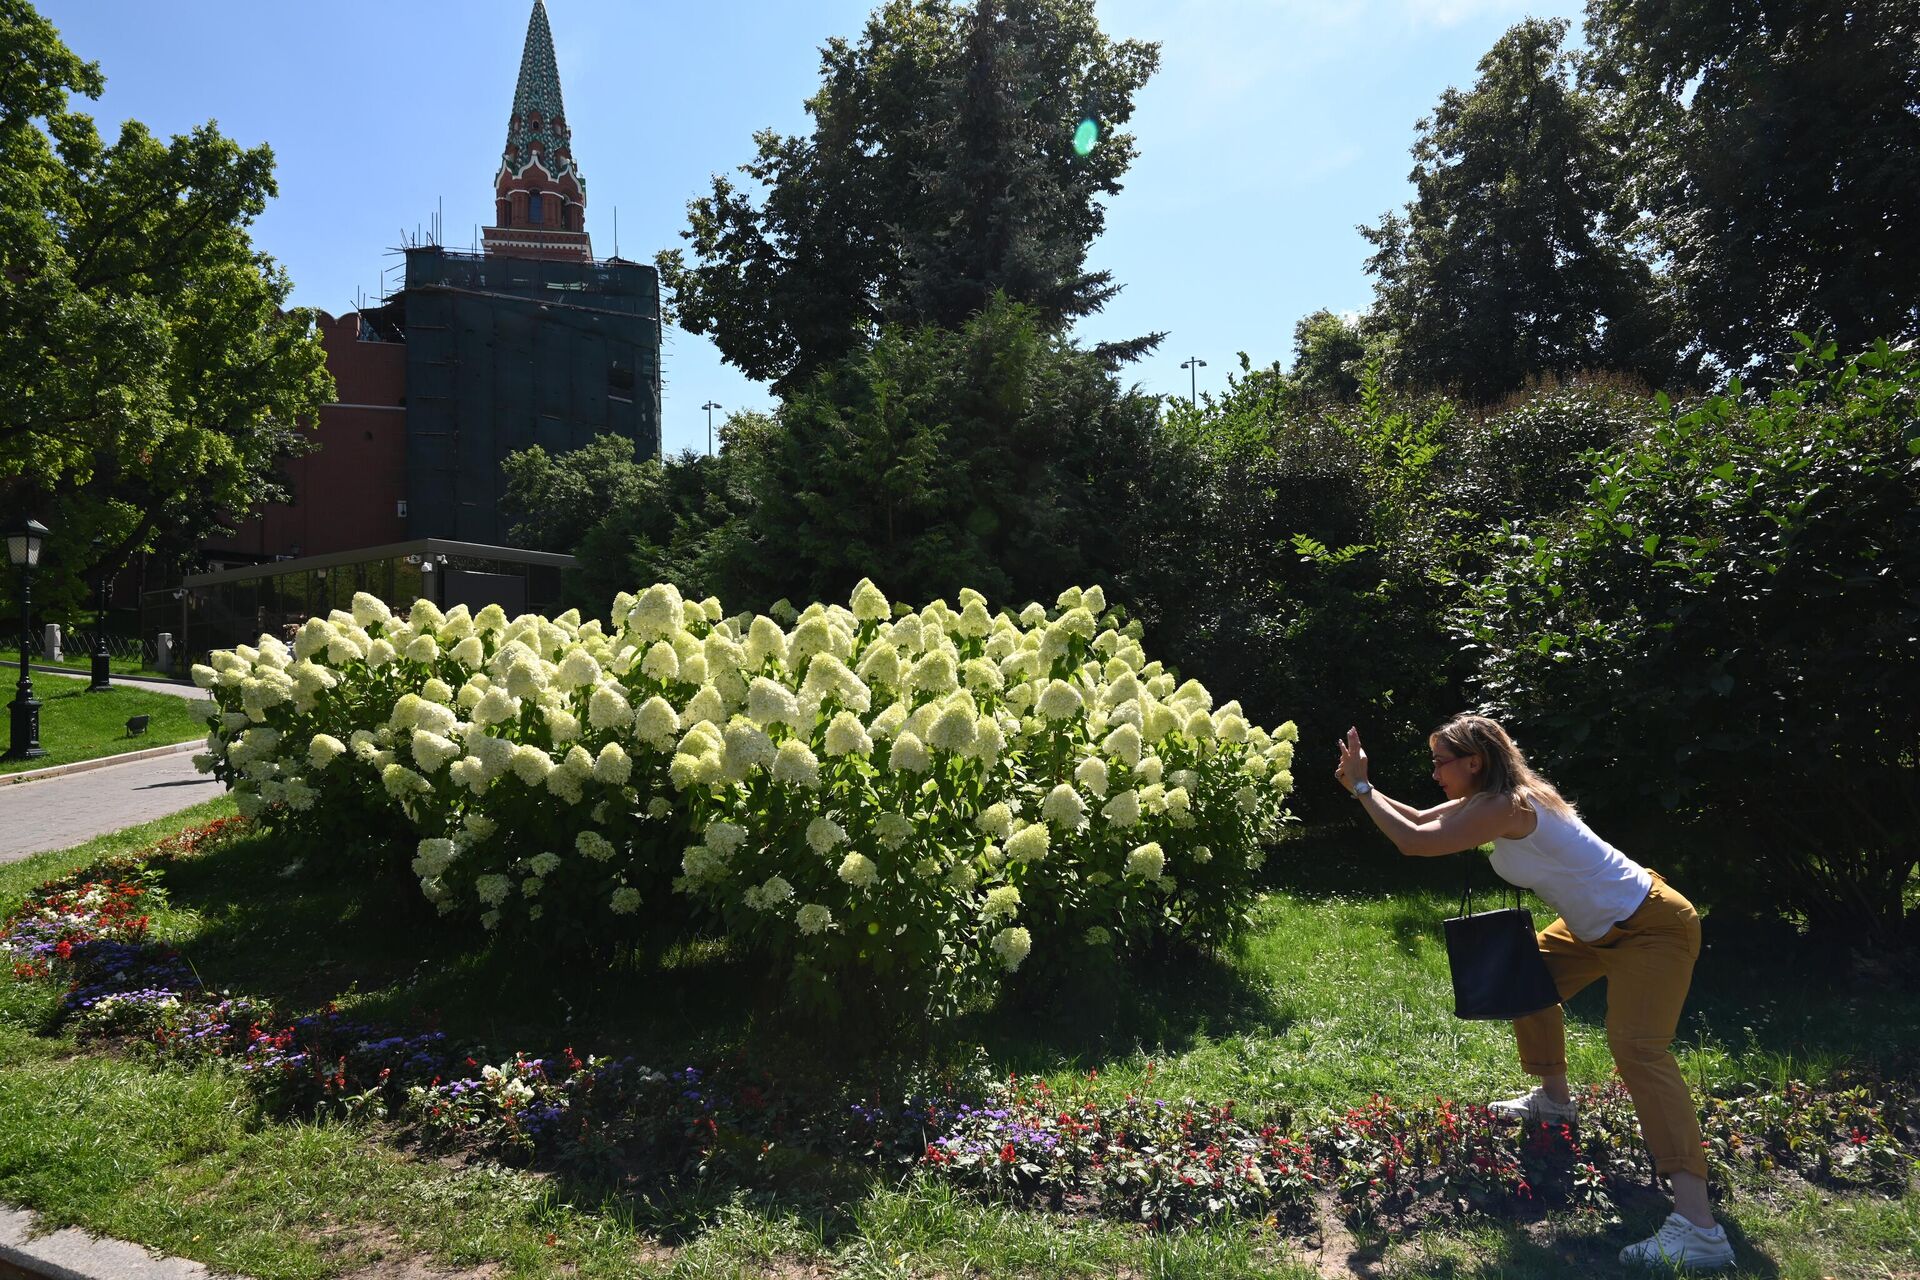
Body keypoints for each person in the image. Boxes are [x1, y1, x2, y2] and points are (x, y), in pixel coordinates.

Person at [1335, 714, 1734, 1271]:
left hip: (1651, 926)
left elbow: (1414, 843)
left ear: (1474, 762)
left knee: (1640, 1051)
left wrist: (1359, 788)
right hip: (1596, 926)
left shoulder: (1510, 805)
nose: (1434, 774)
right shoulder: (1490, 799)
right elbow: (1423, 819)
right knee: (1526, 974)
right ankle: (1554, 1102)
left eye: (1439, 762)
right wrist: (1367, 786)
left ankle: (1699, 1228)